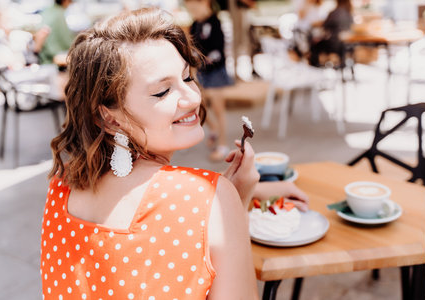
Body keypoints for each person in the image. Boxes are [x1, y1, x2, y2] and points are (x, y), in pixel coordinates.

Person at [40, 8, 262, 299]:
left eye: (187, 77)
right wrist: (231, 202)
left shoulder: (61, 187)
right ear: (109, 117)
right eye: (162, 92)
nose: (193, 97)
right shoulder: (206, 197)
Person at [185, 0, 234, 162]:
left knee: (219, 109)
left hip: (216, 72)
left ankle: (223, 144)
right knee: (198, 105)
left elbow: (218, 50)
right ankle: (213, 130)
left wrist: (200, 60)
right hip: (202, 73)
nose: (193, 13)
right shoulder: (195, 24)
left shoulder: (215, 22)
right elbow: (193, 46)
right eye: (190, 10)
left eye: (194, 8)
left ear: (206, 3)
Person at [308, 0, 353, 67]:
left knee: (314, 43)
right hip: (346, 44)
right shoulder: (349, 14)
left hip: (333, 43)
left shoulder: (334, 13)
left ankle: (315, 64)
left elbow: (325, 26)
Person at [38, 0, 75, 64]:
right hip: (52, 58)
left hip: (42, 56)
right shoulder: (59, 14)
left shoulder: (47, 10)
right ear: (65, 1)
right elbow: (66, 40)